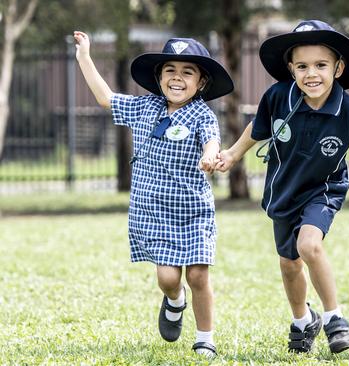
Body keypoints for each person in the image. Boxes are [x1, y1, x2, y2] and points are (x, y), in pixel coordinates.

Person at [215, 20, 349, 354]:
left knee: (309, 246)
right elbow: (257, 129)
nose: (312, 74)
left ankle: (336, 319)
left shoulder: (348, 108)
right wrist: (232, 154)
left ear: (338, 67)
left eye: (321, 65)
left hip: (324, 189)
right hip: (283, 191)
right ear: (291, 69)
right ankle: (303, 321)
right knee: (289, 265)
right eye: (302, 66)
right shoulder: (277, 97)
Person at [73, 31, 234, 357]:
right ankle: (175, 300)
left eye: (187, 72)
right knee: (167, 277)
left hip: (193, 210)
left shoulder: (203, 115)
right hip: (155, 211)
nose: (177, 77)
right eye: (170, 70)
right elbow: (106, 98)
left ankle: (205, 337)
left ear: (201, 82)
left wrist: (211, 154)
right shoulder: (145, 107)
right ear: (159, 77)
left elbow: (212, 140)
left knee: (199, 274)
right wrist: (85, 58)